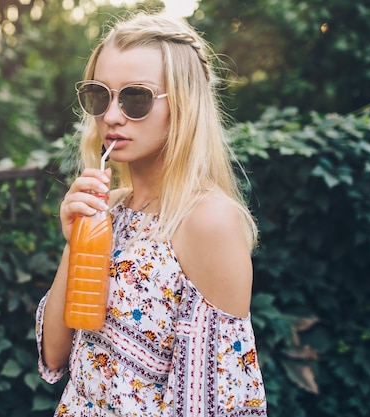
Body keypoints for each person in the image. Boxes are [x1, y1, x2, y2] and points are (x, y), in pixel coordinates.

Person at [35, 11, 267, 417]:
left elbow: (215, 403)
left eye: (135, 97)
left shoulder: (207, 220)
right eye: (99, 95)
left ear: (183, 105)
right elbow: (56, 356)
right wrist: (76, 242)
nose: (110, 115)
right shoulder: (110, 208)